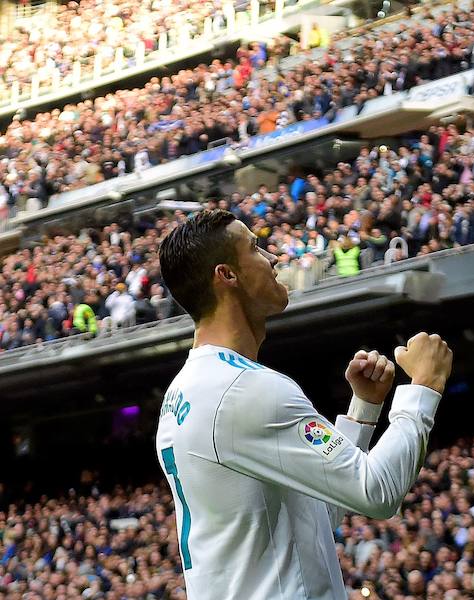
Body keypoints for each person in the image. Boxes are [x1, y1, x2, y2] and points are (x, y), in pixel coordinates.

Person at [155, 209, 453, 599]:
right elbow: (376, 493)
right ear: (227, 274)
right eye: (256, 248)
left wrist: (363, 409)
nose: (273, 259)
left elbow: (318, 510)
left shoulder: (184, 393)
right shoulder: (245, 389)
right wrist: (424, 387)